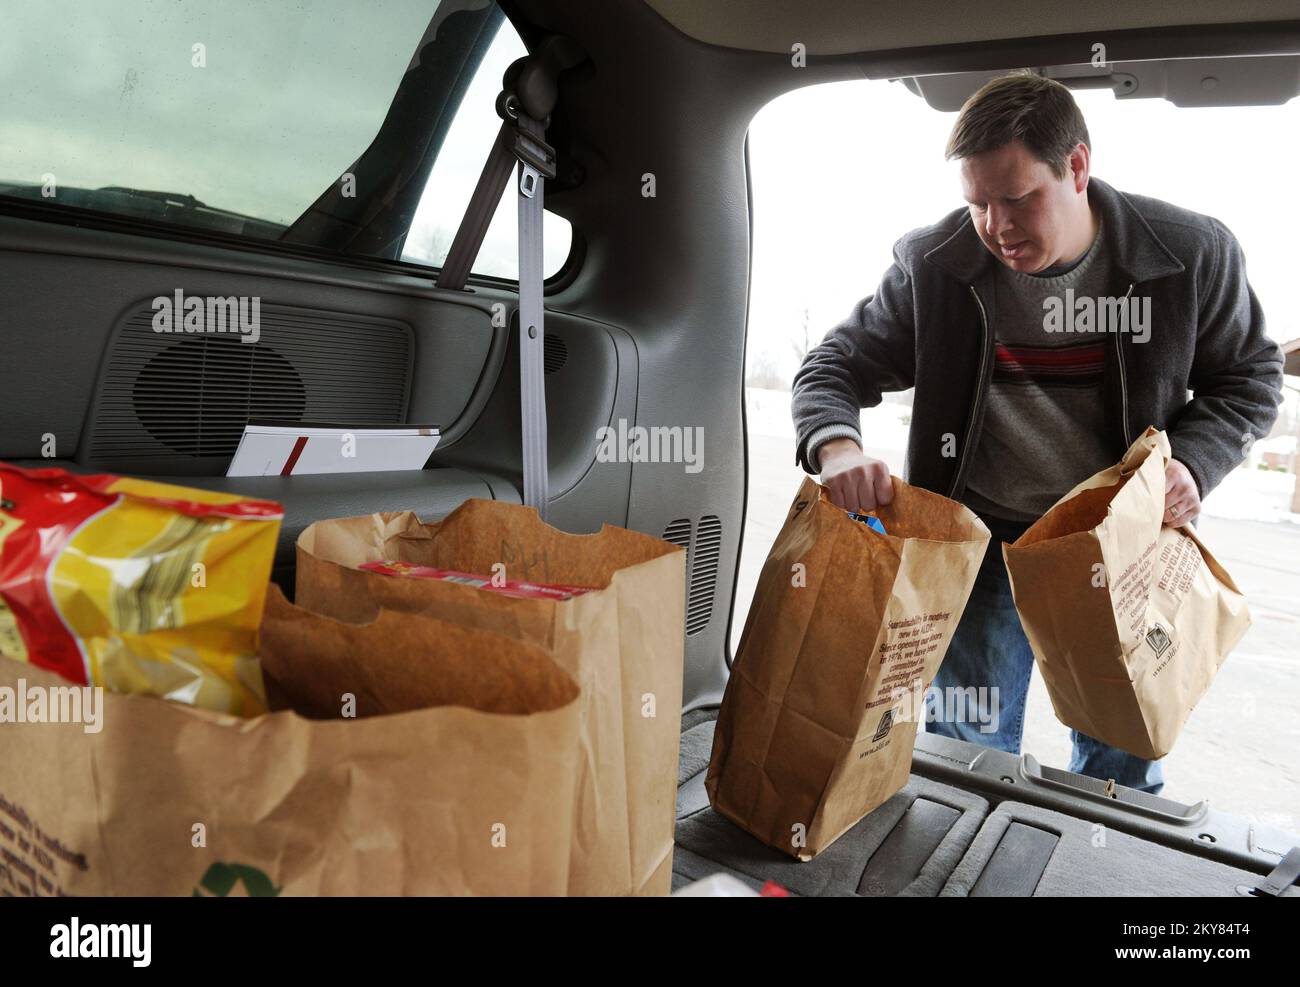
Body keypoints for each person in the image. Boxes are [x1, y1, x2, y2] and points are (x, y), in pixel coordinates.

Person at [791, 72, 1284, 795]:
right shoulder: (937, 265)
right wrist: (837, 444)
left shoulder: (1190, 255)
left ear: (1077, 166)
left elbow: (1250, 377)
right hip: (980, 542)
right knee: (965, 754)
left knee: (1122, 762)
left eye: (1018, 198)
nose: (996, 226)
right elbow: (833, 365)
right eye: (978, 203)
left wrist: (1195, 464)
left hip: (1116, 548)